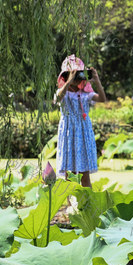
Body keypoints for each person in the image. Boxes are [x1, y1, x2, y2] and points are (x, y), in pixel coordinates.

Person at [53, 54, 107, 188]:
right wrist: (69, 82)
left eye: (79, 74)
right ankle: (70, 206)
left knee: (85, 174)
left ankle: (86, 206)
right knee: (69, 175)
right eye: (74, 74)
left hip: (83, 132)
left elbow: (102, 99)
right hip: (68, 133)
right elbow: (57, 99)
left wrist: (97, 80)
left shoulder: (85, 93)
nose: (77, 78)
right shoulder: (62, 92)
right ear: (64, 76)